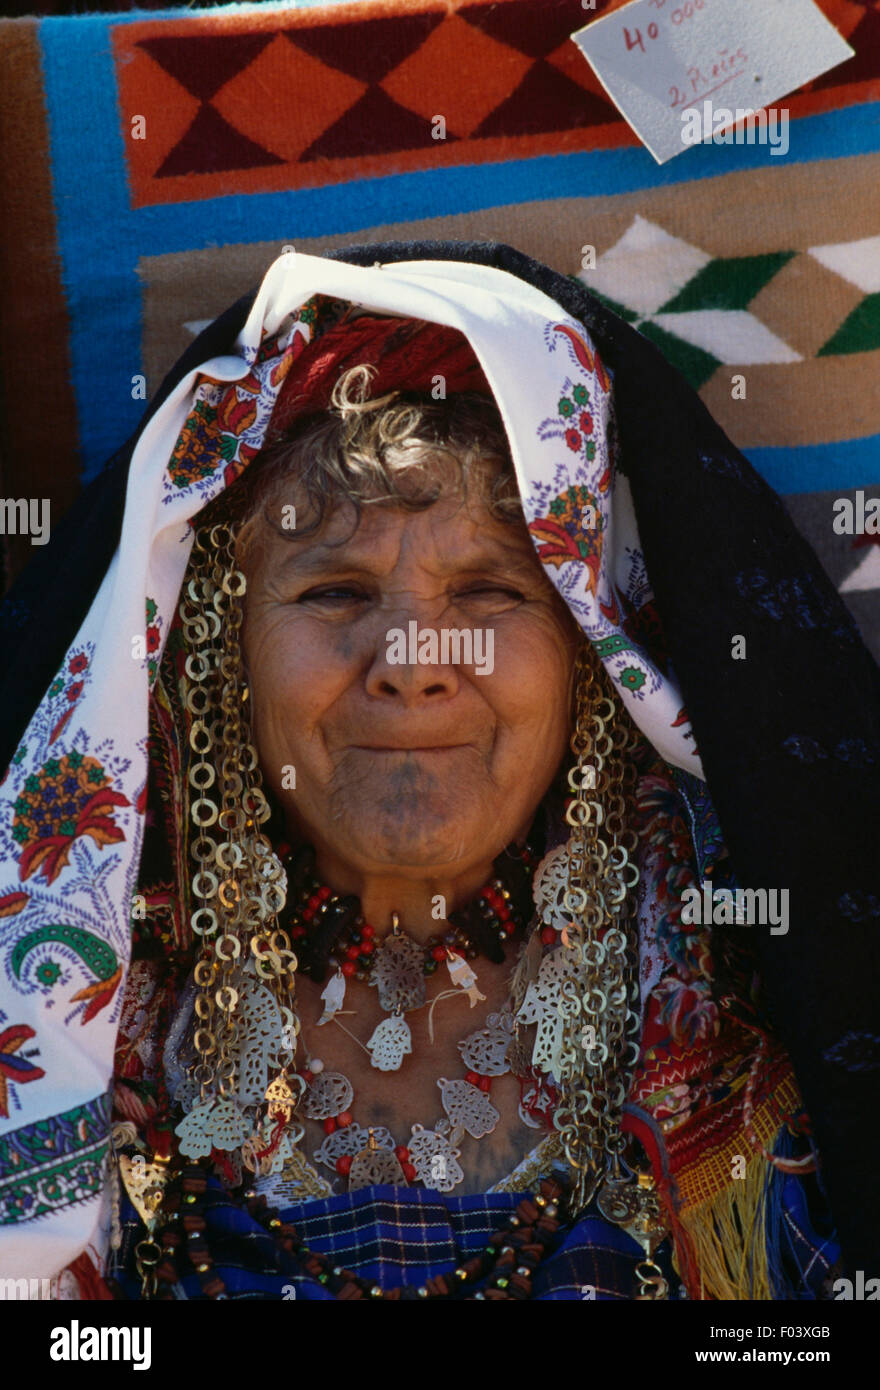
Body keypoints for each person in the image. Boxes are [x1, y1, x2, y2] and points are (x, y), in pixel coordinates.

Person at [0, 241, 876, 1301]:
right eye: (333, 595)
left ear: (593, 659)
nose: (413, 663)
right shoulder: (72, 1034)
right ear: (220, 651)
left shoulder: (753, 1012)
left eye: (488, 594)